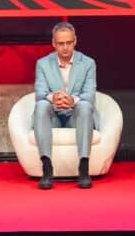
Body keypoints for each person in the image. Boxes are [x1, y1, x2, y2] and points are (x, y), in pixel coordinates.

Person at [31, 20, 99, 192]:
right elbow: (40, 93)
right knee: (41, 105)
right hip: (54, 115)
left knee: (84, 106)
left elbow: (90, 94)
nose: (65, 48)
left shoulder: (88, 63)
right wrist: (55, 97)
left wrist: (72, 100)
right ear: (53, 43)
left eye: (69, 42)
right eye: (61, 43)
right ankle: (47, 168)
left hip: (75, 115)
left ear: (75, 41)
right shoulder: (43, 64)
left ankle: (84, 167)